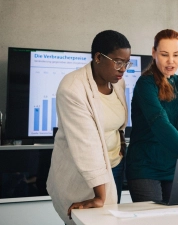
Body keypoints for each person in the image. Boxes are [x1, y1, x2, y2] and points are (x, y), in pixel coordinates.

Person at [47, 30, 131, 224]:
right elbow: (86, 145)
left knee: (110, 221)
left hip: (115, 167)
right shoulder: (72, 88)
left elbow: (117, 126)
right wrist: (100, 196)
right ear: (98, 58)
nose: (123, 69)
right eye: (118, 62)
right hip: (83, 174)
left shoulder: (118, 83)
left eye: (127, 63)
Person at [126, 29, 178, 202]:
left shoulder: (177, 81)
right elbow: (159, 123)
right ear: (154, 53)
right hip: (145, 166)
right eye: (164, 54)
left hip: (171, 165)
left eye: (176, 55)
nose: (171, 61)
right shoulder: (145, 84)